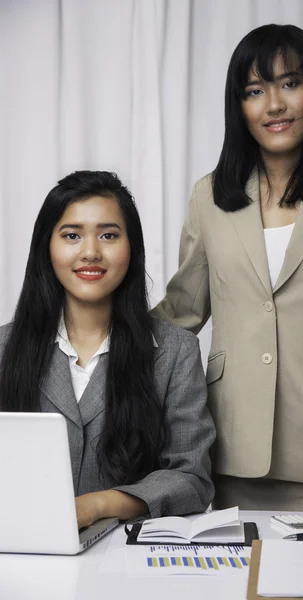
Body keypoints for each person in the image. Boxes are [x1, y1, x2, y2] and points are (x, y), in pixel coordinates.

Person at [152, 24, 303, 513]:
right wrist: (98, 329)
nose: (274, 105)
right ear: (238, 107)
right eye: (254, 91)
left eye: (290, 83)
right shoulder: (210, 196)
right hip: (231, 451)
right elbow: (182, 312)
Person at [0, 170, 215, 529]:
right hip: (23, 554)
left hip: (128, 561)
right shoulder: (5, 348)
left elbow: (191, 478)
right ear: (46, 248)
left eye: (108, 235)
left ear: (132, 248)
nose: (90, 252)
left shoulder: (175, 351)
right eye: (71, 235)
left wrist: (97, 505)